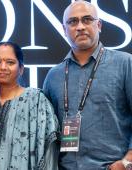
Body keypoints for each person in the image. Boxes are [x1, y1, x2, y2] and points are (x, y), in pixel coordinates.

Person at [43, 1, 132, 170]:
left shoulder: (125, 64)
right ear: (64, 29)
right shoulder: (54, 76)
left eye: (87, 19)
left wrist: (127, 161)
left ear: (98, 25)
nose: (80, 26)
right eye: (73, 22)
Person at [0, 41, 59, 170]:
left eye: (10, 62)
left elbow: (49, 148)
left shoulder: (36, 100)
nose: (3, 67)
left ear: (21, 69)